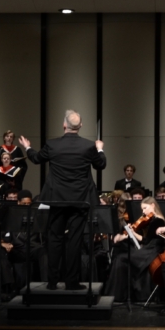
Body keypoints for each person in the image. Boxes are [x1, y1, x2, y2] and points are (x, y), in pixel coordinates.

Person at [20, 109, 106, 290]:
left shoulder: (52, 145)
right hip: (80, 201)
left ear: (64, 125)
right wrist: (100, 149)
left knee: (54, 239)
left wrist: (27, 147)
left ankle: (52, 281)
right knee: (74, 241)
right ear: (80, 126)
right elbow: (101, 165)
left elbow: (35, 159)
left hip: (56, 201)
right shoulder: (89, 146)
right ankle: (72, 282)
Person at [103, 196, 165, 302]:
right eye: (142, 209)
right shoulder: (154, 220)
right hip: (149, 249)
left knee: (121, 259)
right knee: (121, 258)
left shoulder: (158, 221)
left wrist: (133, 233)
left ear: (153, 205)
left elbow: (146, 241)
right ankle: (121, 294)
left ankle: (116, 294)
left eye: (145, 208)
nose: (143, 211)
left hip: (152, 251)